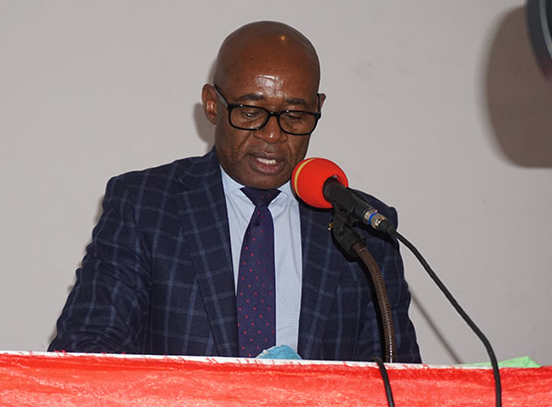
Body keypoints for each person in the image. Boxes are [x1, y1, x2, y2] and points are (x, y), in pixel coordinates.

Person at [48, 21, 421, 363]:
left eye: (294, 115)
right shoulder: (145, 206)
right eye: (251, 111)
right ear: (213, 104)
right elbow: (85, 350)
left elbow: (401, 381)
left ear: (318, 108)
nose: (272, 135)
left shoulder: (362, 225)